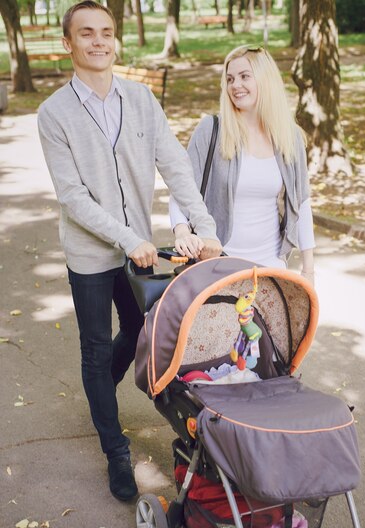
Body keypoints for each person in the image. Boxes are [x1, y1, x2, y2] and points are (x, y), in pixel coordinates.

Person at [37, 1, 221, 502]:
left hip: (138, 251)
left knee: (143, 331)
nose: (99, 41)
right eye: (87, 33)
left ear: (114, 40)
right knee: (95, 347)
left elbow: (176, 168)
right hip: (93, 254)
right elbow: (72, 195)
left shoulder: (141, 99)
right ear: (68, 44)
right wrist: (127, 237)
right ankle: (115, 449)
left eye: (106, 32)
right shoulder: (53, 113)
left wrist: (205, 229)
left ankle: (103, 388)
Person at [170, 45, 316, 282]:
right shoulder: (212, 130)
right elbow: (182, 191)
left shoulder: (288, 136)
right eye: (230, 79)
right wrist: (182, 231)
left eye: (244, 76)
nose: (235, 85)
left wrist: (308, 271)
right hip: (216, 267)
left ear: (264, 80)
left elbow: (303, 202)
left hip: (271, 268)